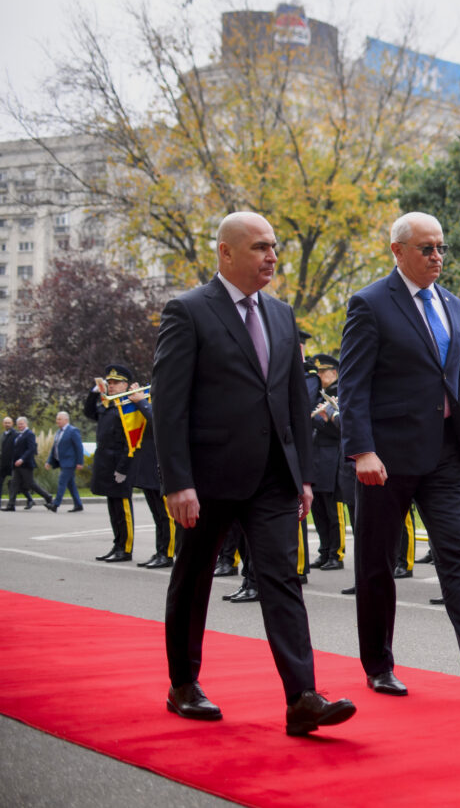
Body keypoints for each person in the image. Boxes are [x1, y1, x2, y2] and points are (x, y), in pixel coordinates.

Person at [153, 211, 355, 735]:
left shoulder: (282, 314)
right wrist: (178, 481)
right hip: (208, 478)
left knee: (283, 580)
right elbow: (169, 405)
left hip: (272, 478)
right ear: (225, 252)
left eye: (274, 247)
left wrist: (304, 477)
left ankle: (302, 697)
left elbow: (293, 402)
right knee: (194, 577)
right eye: (261, 247)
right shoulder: (188, 311)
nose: (272, 257)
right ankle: (183, 685)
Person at [339, 211, 460, 698]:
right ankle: (379, 664)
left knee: (458, 554)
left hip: (444, 453)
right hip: (385, 459)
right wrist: (361, 449)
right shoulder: (369, 304)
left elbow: (447, 386)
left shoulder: (450, 304)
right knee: (377, 561)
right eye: (426, 248)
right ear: (397, 251)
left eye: (441, 248)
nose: (436, 256)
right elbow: (353, 384)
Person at [84, 368, 136, 559]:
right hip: (105, 463)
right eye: (109, 383)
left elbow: (130, 441)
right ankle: (117, 545)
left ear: (125, 385)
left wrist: (123, 468)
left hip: (119, 464)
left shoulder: (128, 406)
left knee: (123, 510)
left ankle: (126, 548)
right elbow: (89, 412)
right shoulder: (107, 405)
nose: (111, 386)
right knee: (113, 509)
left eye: (115, 383)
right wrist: (94, 393)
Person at [128, 387, 175, 568]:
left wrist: (141, 402)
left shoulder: (167, 397)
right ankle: (160, 550)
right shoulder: (151, 396)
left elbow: (160, 422)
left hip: (160, 465)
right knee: (157, 514)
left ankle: (168, 553)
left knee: (165, 515)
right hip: (147, 465)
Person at [307, 354, 344, 571]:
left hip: (332, 456)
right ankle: (324, 550)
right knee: (319, 508)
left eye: (324, 372)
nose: (320, 376)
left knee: (333, 509)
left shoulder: (338, 394)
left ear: (334, 372)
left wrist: (320, 419)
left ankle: (336, 553)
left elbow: (336, 429)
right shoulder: (318, 396)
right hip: (318, 457)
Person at [4, 417, 53, 512]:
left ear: (26, 424)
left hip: (26, 464)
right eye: (18, 424)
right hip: (16, 464)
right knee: (14, 484)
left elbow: (31, 449)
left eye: (22, 424)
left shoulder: (29, 434)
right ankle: (11, 505)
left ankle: (48, 496)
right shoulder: (18, 435)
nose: (20, 426)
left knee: (30, 484)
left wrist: (22, 459)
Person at [44, 411, 85, 512]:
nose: (57, 421)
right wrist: (49, 461)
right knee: (71, 485)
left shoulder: (73, 431)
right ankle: (78, 505)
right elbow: (54, 448)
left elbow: (79, 447)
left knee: (62, 482)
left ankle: (55, 504)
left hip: (70, 462)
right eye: (57, 419)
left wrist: (80, 462)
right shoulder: (59, 432)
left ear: (66, 420)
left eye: (59, 419)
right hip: (62, 462)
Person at [0, 416, 15, 504]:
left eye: (9, 423)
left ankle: (30, 499)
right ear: (3, 424)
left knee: (18, 482)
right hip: (3, 464)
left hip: (12, 463)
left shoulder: (15, 434)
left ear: (12, 423)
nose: (7, 424)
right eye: (5, 423)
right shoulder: (2, 435)